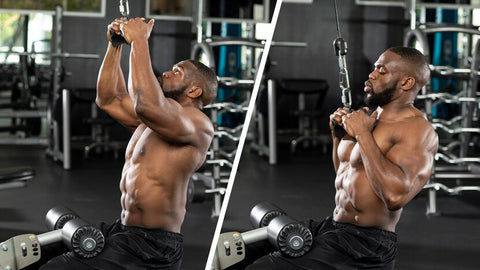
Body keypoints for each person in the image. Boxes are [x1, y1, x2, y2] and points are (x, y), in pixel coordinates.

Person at [40, 17, 218, 270]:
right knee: (39, 253)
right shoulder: (154, 120)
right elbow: (109, 98)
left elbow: (146, 104)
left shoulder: (197, 124)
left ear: (194, 91)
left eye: (177, 72)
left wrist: (140, 41)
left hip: (153, 245)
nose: (167, 71)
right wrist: (116, 46)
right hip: (125, 230)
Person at [241, 46, 438, 269]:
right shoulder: (369, 117)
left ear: (406, 83)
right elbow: (347, 174)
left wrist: (362, 134)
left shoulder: (417, 130)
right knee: (236, 250)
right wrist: (338, 137)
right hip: (333, 228)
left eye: (382, 71)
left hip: (366, 245)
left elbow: (395, 197)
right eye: (374, 68)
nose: (372, 74)